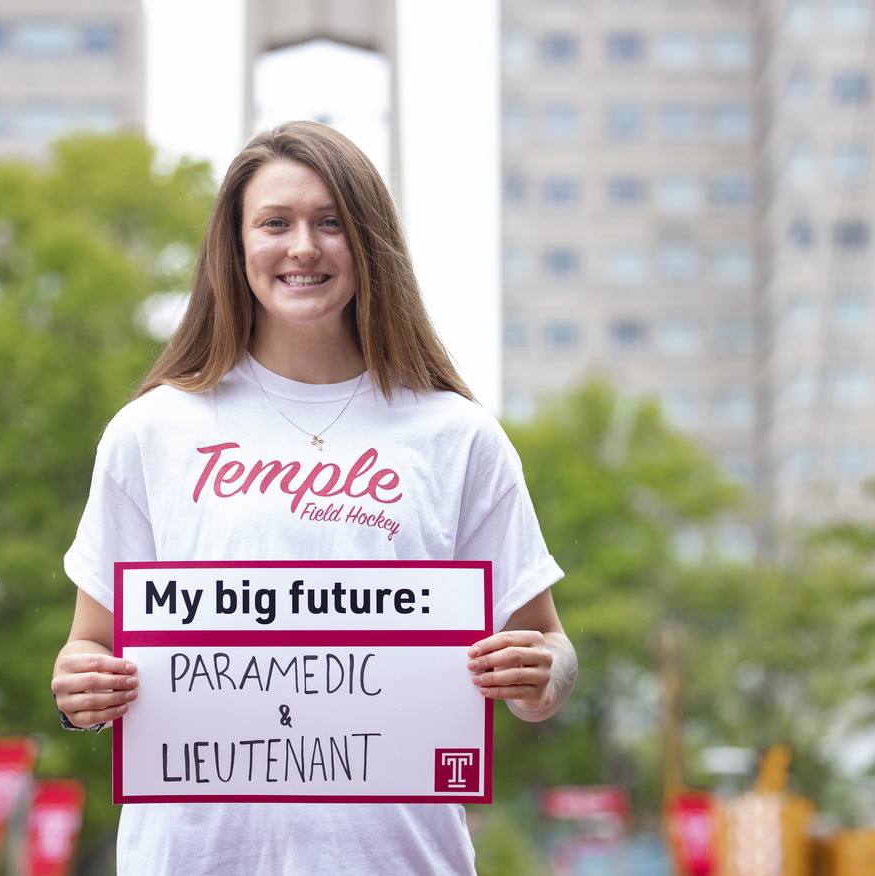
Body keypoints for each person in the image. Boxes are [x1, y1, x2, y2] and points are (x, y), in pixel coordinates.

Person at [51, 120, 576, 874]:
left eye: (330, 223)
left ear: (369, 244)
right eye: (275, 223)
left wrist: (540, 675)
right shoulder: (150, 432)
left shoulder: (457, 438)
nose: (303, 247)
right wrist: (78, 687)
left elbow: (550, 655)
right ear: (233, 249)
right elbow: (88, 647)